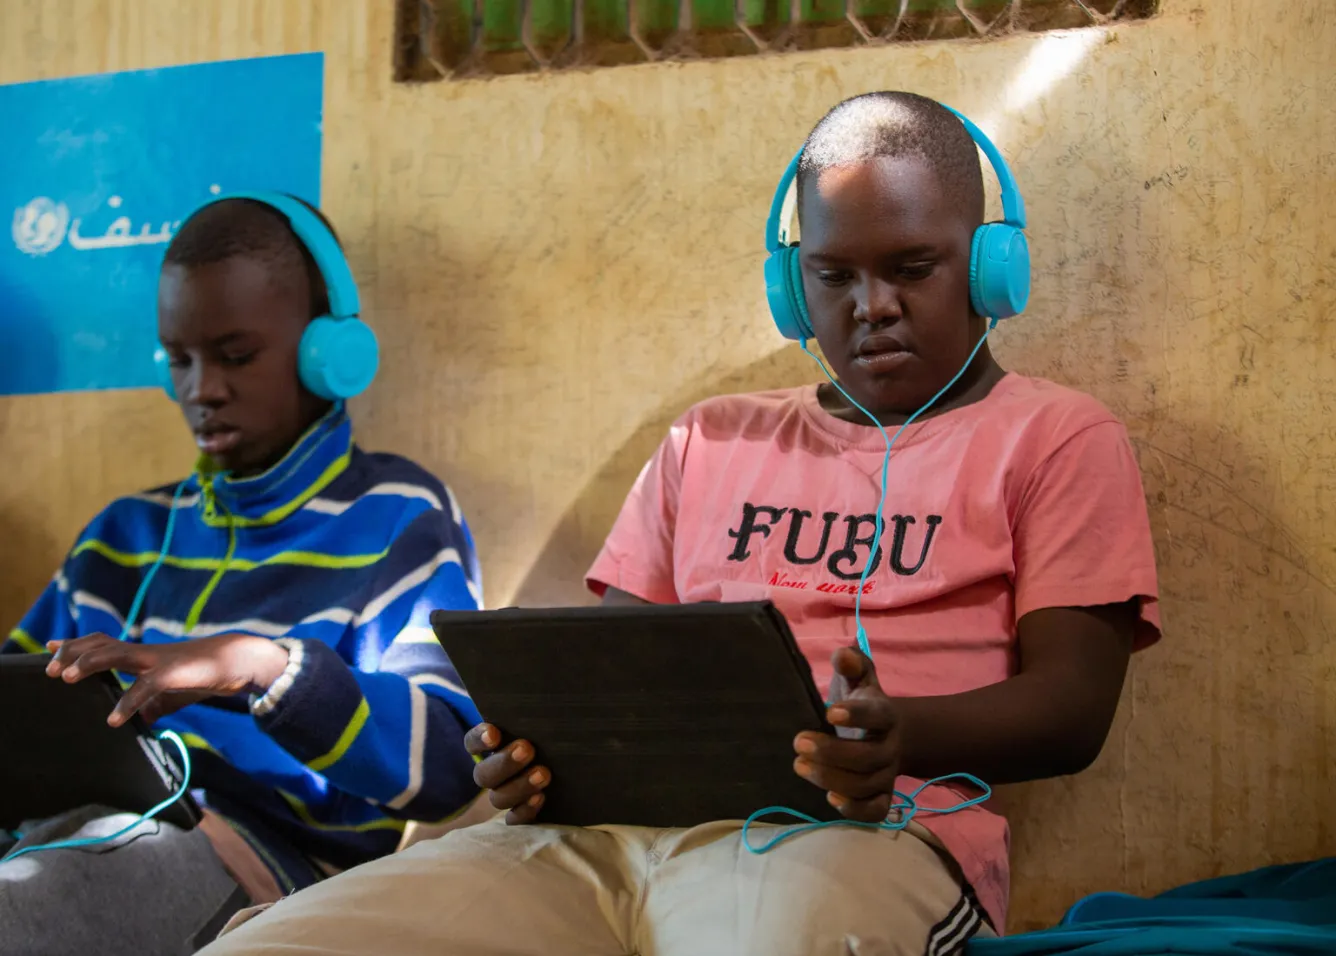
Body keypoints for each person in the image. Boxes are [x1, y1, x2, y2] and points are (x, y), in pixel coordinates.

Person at [198, 92, 1161, 956]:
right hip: (597, 840)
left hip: (867, 837)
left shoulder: (1056, 438)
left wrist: (892, 738)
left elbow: (1073, 713)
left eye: (913, 268)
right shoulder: (710, 438)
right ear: (793, 287)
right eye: (832, 277)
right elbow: (620, 676)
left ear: (992, 268)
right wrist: (533, 753)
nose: (872, 308)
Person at [0, 196, 484, 956]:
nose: (202, 390)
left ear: (328, 352)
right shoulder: (125, 536)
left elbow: (449, 766)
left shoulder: (397, 515)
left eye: (235, 355)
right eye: (181, 360)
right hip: (77, 834)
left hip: (276, 870)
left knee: (39, 905)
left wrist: (261, 669)